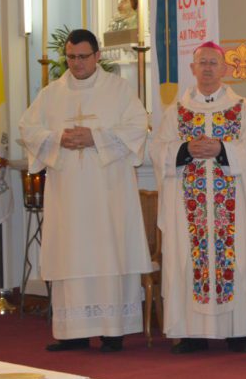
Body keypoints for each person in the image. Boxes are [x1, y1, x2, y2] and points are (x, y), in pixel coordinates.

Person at [19, 29, 151, 352]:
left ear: (97, 56)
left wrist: (95, 137)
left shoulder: (118, 90)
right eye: (71, 57)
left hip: (109, 194)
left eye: (83, 57)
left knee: (109, 252)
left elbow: (138, 127)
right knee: (71, 255)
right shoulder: (51, 94)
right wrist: (57, 139)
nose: (76, 63)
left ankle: (112, 331)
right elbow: (28, 128)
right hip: (68, 196)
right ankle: (73, 333)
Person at [151, 41, 246, 354]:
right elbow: (158, 150)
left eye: (213, 63)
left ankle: (239, 332)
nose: (207, 68)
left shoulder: (244, 109)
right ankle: (191, 334)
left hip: (233, 208)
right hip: (188, 209)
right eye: (202, 63)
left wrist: (223, 150)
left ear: (224, 69)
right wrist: (185, 150)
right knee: (187, 262)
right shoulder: (176, 112)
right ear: (192, 69)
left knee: (237, 260)